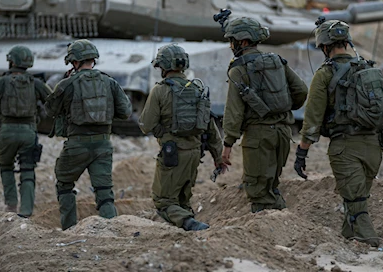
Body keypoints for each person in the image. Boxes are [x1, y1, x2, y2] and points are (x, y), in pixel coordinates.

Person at [295, 18, 383, 247]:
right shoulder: (369, 68)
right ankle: (347, 239)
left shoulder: (324, 74)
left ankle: (371, 243)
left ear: (324, 46)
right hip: (374, 147)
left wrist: (301, 152)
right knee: (356, 200)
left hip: (345, 149)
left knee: (357, 205)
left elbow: (312, 119)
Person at [221, 17, 308, 213]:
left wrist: (227, 145)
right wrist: (284, 109)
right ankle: (282, 224)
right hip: (283, 133)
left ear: (242, 42)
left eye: (232, 40)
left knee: (259, 193)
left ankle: (271, 233)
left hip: (258, 137)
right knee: (271, 185)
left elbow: (233, 112)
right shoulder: (276, 61)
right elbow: (301, 90)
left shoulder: (238, 69)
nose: (230, 45)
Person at [45, 39, 132, 231]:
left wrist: (64, 84)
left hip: (76, 145)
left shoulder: (68, 83)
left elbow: (50, 110)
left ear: (74, 62)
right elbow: (126, 112)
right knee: (104, 190)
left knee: (65, 184)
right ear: (93, 60)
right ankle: (111, 229)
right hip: (103, 144)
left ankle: (69, 229)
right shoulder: (110, 82)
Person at [139, 44, 227, 231]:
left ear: (163, 66)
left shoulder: (160, 90)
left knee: (164, 202)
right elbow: (211, 129)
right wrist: (219, 158)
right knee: (182, 200)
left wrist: (162, 131)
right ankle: (188, 234)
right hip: (195, 154)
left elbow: (146, 124)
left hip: (172, 155)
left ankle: (192, 225)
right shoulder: (197, 89)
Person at [0, 45, 52, 218]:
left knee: (6, 166)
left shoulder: (0, 83)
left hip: (7, 131)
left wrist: (1, 123)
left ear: (12, 61)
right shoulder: (36, 83)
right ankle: (26, 211)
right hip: (28, 132)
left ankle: (11, 207)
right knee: (28, 170)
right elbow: (53, 101)